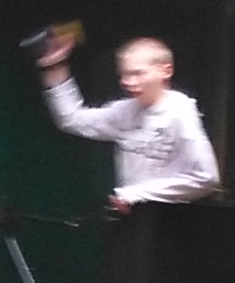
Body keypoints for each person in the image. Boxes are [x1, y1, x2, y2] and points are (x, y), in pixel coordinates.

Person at [36, 30, 219, 209]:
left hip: (168, 219)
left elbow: (206, 177)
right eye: (124, 74)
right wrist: (54, 65)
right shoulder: (125, 111)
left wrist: (135, 195)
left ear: (166, 71)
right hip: (132, 217)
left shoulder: (180, 112)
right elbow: (71, 119)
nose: (128, 82)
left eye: (137, 73)